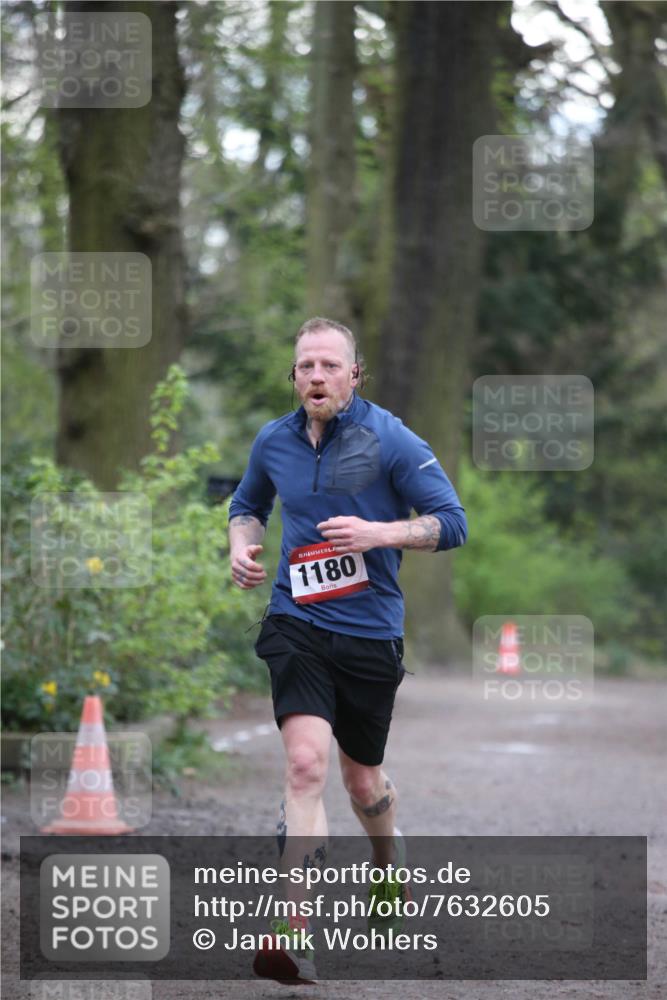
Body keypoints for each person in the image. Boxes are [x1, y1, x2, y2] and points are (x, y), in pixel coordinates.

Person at [228, 317, 467, 984]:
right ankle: (293, 930)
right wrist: (240, 548)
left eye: (330, 365)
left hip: (369, 633)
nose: (317, 376)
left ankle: (388, 865)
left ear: (354, 374)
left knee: (362, 779)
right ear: (293, 375)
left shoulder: (391, 439)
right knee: (305, 766)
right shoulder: (273, 440)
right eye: (306, 366)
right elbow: (247, 505)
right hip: (295, 622)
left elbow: (452, 523)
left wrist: (379, 533)